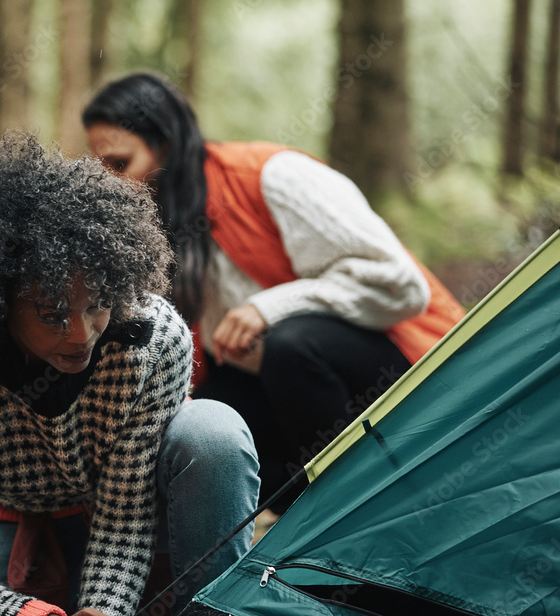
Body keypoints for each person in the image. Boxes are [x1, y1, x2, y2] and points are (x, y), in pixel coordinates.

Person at [0, 133, 260, 616]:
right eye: (52, 315)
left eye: (98, 305)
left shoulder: (152, 340)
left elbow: (125, 515)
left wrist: (104, 608)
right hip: (14, 517)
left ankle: (211, 609)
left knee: (214, 433)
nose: (80, 335)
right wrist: (19, 612)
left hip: (138, 517)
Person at [82, 71, 464, 512]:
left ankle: (363, 512)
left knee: (290, 345)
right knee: (205, 424)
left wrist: (269, 308)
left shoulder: (272, 176)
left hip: (417, 370)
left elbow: (401, 286)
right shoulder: (163, 223)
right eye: (101, 170)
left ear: (164, 143)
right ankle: (306, 541)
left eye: (120, 165)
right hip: (293, 393)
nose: (112, 186)